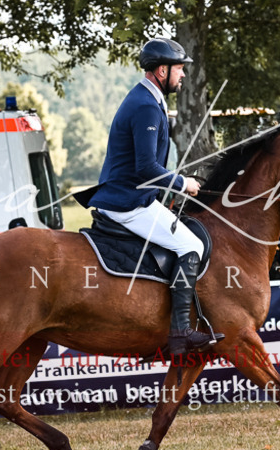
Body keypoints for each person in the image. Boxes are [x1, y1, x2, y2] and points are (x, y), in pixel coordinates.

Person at [86, 37, 221, 356]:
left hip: (135, 196)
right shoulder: (146, 105)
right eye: (179, 69)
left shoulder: (151, 99)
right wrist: (181, 183)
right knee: (191, 245)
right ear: (163, 70)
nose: (184, 75)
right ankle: (180, 333)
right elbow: (146, 167)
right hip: (128, 202)